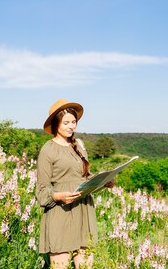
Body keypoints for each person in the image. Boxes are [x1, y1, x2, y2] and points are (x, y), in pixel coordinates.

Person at [36, 99, 109, 269]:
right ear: (56, 123)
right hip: (61, 213)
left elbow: (85, 179)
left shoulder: (79, 146)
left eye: (74, 122)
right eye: (66, 122)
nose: (71, 126)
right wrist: (58, 196)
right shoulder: (48, 150)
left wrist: (104, 182)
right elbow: (41, 191)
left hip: (84, 212)